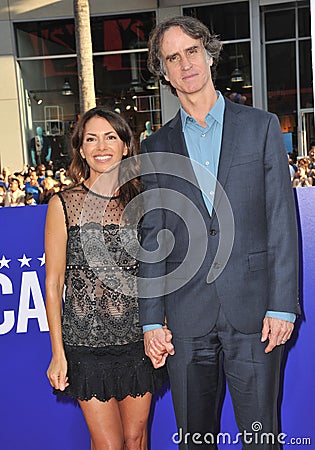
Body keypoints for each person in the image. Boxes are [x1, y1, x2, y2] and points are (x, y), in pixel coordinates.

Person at [138, 16, 300, 450]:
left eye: (192, 51)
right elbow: (153, 238)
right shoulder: (155, 147)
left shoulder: (260, 126)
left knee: (261, 439)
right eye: (172, 57)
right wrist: (152, 319)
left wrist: (283, 305)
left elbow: (282, 220)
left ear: (208, 54)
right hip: (186, 319)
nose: (185, 63)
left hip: (255, 314)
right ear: (164, 71)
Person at [45, 107, 168, 450]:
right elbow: (54, 284)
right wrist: (58, 353)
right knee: (109, 444)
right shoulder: (63, 204)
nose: (102, 145)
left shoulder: (143, 201)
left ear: (126, 146)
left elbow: (157, 272)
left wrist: (161, 325)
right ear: (81, 149)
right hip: (85, 346)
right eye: (91, 138)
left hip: (137, 341)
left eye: (111, 136)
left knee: (135, 438)